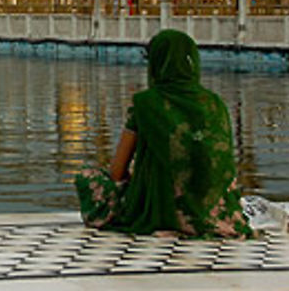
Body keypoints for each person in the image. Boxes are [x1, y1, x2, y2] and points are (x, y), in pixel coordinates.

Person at [75, 29, 252, 238]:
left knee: (87, 177)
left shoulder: (146, 103)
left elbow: (116, 172)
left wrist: (140, 178)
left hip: (161, 209)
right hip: (216, 212)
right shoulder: (215, 104)